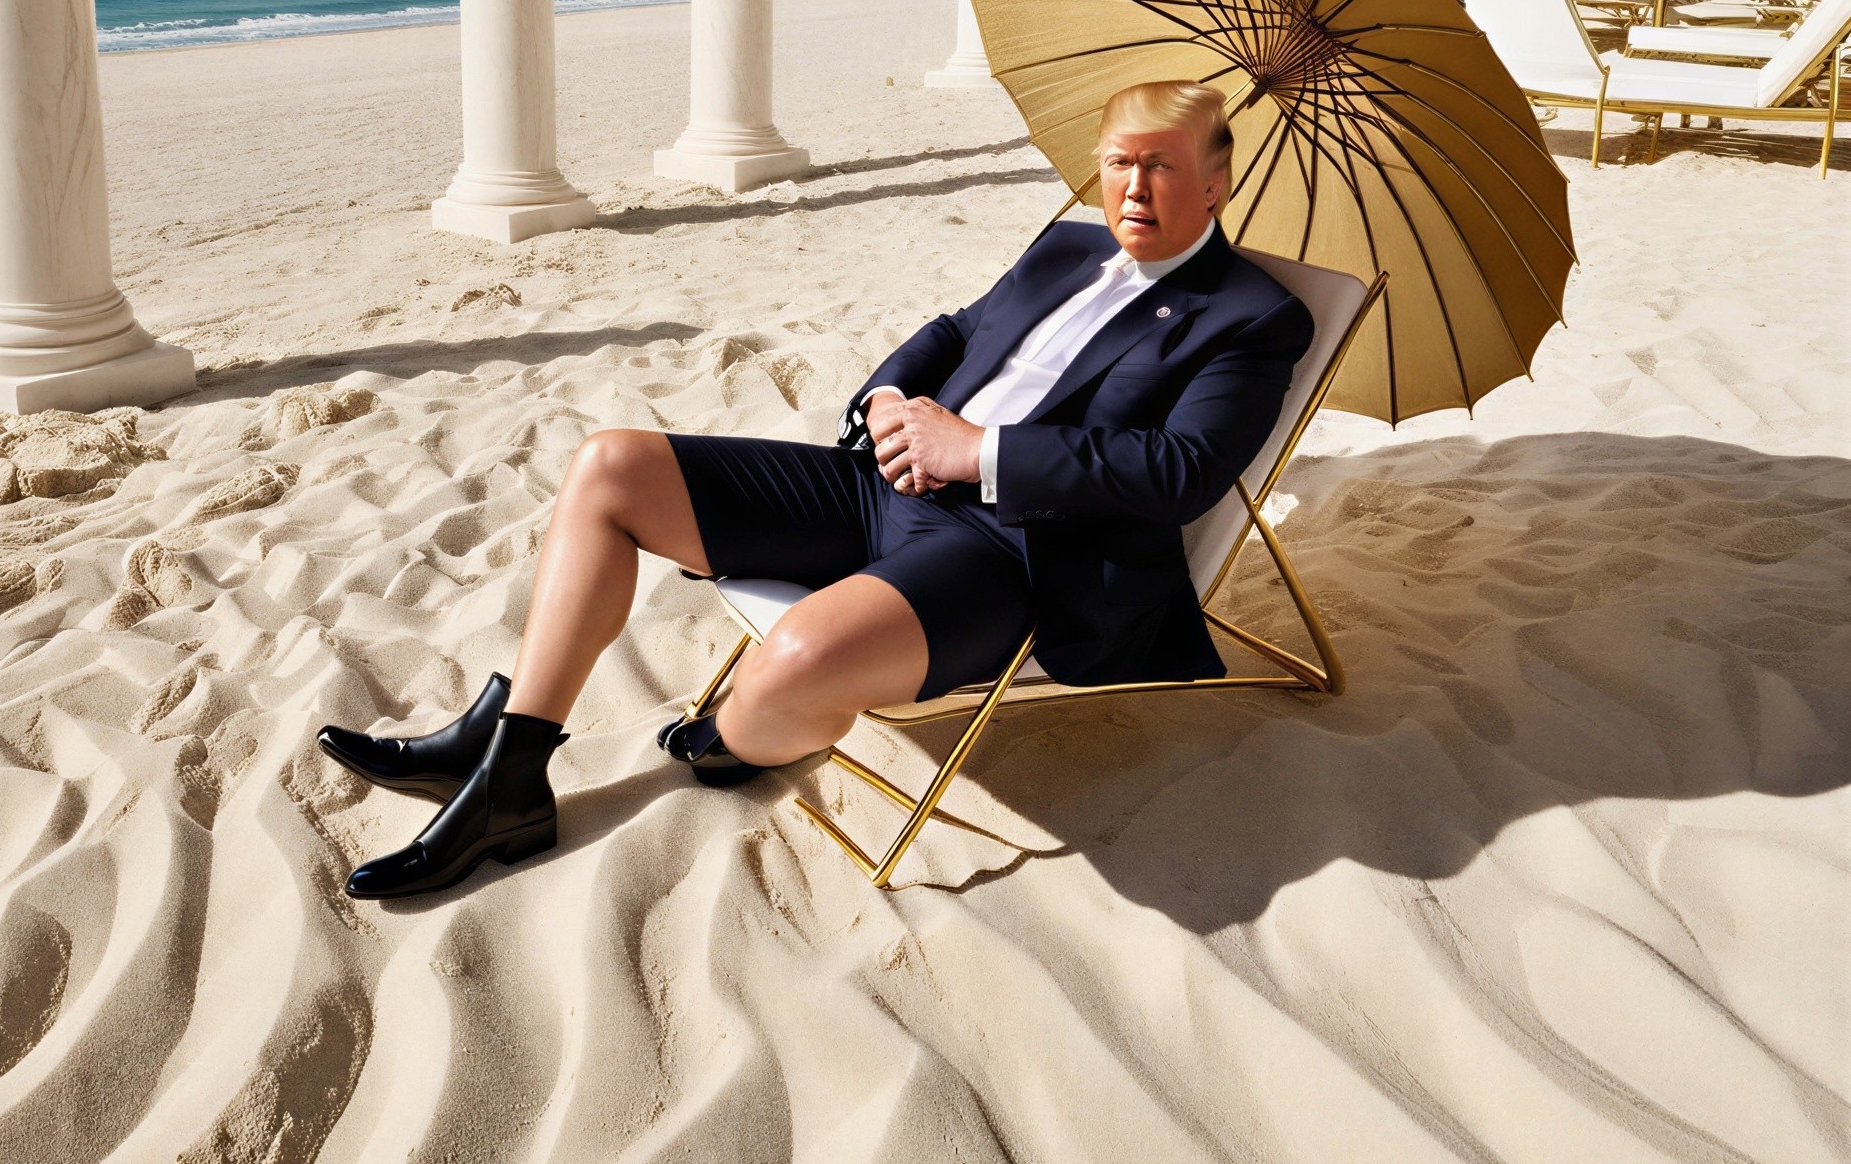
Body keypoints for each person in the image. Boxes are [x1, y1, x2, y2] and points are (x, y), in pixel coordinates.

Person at [319, 80, 1314, 899]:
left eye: (1163, 165)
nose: (1133, 186)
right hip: (875, 479)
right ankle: (514, 762)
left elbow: (1180, 474)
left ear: (1217, 179)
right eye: (1119, 161)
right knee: (610, 467)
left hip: (1009, 551)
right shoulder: (1065, 245)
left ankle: (728, 739)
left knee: (788, 665)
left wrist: (977, 449)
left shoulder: (1250, 315)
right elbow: (958, 331)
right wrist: (885, 393)